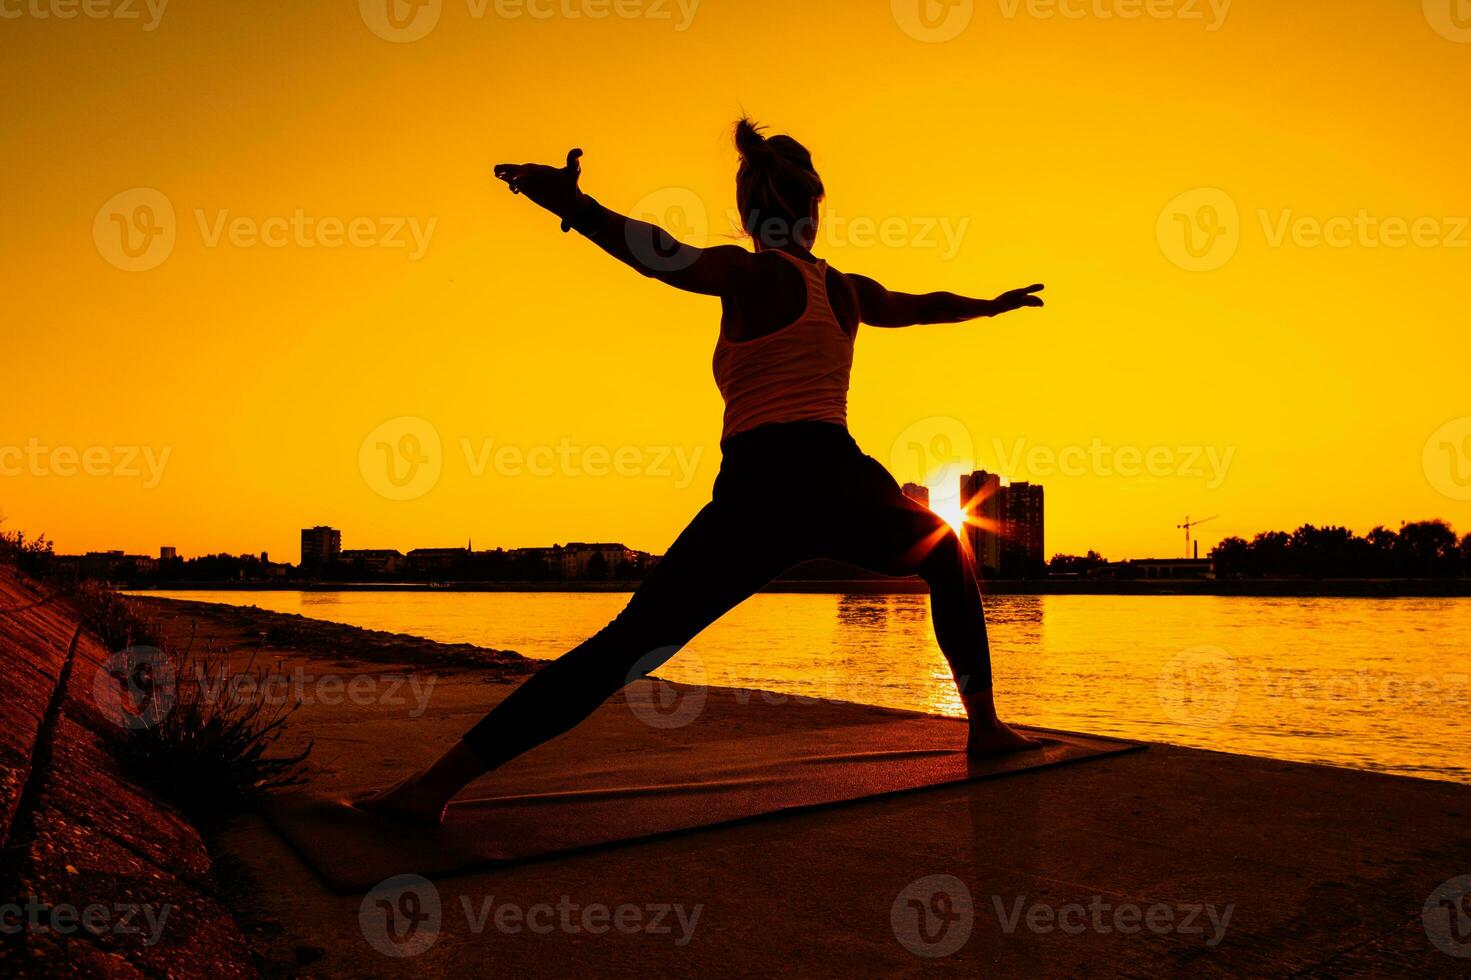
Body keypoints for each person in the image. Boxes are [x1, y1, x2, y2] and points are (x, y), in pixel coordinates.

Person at [363, 118, 1046, 826]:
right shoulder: (845, 289)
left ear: (749, 215)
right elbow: (919, 308)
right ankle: (985, 728)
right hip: (840, 477)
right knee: (946, 550)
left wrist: (569, 204)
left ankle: (429, 790)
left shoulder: (745, 272)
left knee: (625, 647)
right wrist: (988, 306)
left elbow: (653, 254)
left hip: (760, 486)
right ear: (814, 212)